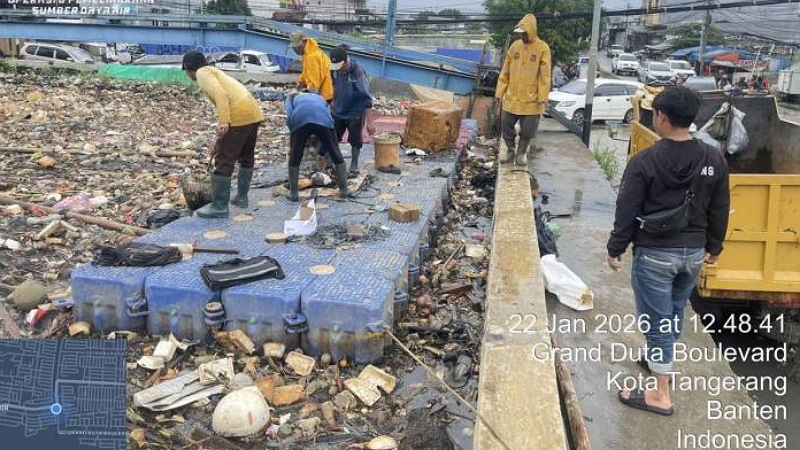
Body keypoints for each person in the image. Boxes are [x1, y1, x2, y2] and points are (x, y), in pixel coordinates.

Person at [606, 86, 730, 416]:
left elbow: (627, 209)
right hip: (692, 255)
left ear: (661, 116)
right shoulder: (713, 157)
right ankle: (657, 358)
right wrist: (715, 247)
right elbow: (720, 207)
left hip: (656, 255)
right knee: (673, 311)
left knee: (658, 321)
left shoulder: (645, 161)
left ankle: (660, 393)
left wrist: (615, 248)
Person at [182, 51, 264, 218]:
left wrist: (224, 122)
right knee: (246, 156)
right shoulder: (214, 71)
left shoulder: (202, 73)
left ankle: (219, 206)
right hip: (253, 112)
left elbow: (220, 94)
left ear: (189, 68)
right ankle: (242, 198)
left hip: (238, 114)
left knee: (224, 160)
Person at [495, 13, 551, 165]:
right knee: (506, 125)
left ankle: (521, 154)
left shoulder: (542, 48)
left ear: (531, 31)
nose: (522, 37)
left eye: (524, 33)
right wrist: (500, 92)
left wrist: (543, 97)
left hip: (532, 99)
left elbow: (544, 76)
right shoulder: (515, 47)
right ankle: (511, 151)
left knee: (528, 130)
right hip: (513, 96)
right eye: (520, 34)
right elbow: (505, 71)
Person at [284, 92, 350, 201]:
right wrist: (327, 140)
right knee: (336, 154)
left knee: (295, 157)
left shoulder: (290, 98)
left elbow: (289, 118)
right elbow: (330, 115)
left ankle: (294, 194)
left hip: (300, 121)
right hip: (324, 121)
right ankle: (344, 191)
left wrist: (295, 141)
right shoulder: (320, 98)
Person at [328, 45, 376, 174]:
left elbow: (366, 97)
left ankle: (354, 164)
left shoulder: (357, 71)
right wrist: (333, 100)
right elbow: (334, 85)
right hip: (339, 109)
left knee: (355, 139)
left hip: (355, 112)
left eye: (340, 66)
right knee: (333, 137)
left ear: (345, 61)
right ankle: (330, 161)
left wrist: (370, 122)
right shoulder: (334, 70)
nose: (339, 69)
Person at [290, 31, 333, 103]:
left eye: (298, 47)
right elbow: (306, 70)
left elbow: (314, 81)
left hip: (326, 92)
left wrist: (313, 99)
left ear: (304, 42)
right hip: (328, 89)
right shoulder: (309, 52)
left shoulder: (311, 57)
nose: (296, 50)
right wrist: (301, 81)